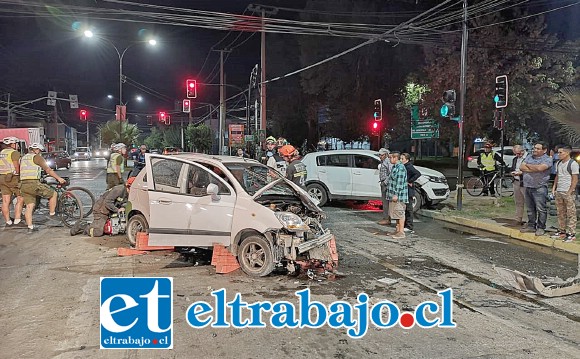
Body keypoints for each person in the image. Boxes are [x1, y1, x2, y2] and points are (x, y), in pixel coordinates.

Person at [19, 143, 67, 233]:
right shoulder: (37, 157)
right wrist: (59, 178)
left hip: (23, 184)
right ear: (36, 150)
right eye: (40, 151)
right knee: (53, 194)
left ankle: (30, 228)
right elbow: (48, 170)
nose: (40, 153)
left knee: (30, 206)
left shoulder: (23, 157)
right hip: (33, 183)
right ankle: (52, 215)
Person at [520, 142, 552, 236]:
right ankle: (531, 225)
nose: (535, 150)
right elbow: (521, 166)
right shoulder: (530, 156)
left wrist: (529, 167)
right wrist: (535, 168)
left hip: (540, 187)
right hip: (528, 186)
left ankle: (541, 227)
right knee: (530, 208)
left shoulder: (547, 159)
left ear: (544, 150)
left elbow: (541, 168)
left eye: (538, 149)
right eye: (534, 148)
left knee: (541, 208)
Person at [550, 145, 578, 242]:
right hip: (559, 191)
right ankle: (562, 231)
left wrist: (570, 191)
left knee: (571, 213)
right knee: (560, 212)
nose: (559, 154)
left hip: (568, 191)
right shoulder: (559, 163)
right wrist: (554, 188)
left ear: (567, 153)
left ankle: (572, 233)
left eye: (561, 152)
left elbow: (575, 179)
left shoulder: (573, 164)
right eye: (558, 152)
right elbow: (557, 176)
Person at [0, 137, 25, 227]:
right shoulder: (14, 153)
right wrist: (19, 174)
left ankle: (8, 222)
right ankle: (17, 220)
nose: (17, 145)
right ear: (12, 144)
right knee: (20, 198)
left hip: (2, 177)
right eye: (16, 143)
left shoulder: (2, 153)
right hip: (12, 178)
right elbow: (16, 167)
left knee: (5, 201)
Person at [385, 152, 408, 239]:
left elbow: (400, 182)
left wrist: (396, 194)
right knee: (395, 213)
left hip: (399, 196)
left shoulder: (401, 168)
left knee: (399, 212)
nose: (389, 159)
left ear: (395, 158)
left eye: (390, 157)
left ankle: (401, 232)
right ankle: (397, 230)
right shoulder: (395, 167)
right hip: (393, 195)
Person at [400, 153, 421, 233]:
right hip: (404, 190)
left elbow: (417, 174)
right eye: (400, 158)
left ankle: (409, 226)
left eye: (402, 159)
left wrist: (410, 181)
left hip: (409, 190)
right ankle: (405, 224)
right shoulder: (403, 166)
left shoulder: (409, 166)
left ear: (407, 159)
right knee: (405, 209)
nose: (401, 160)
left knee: (409, 209)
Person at [509, 145, 528, 225]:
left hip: (525, 182)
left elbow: (531, 170)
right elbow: (513, 168)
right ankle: (518, 218)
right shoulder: (515, 159)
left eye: (518, 153)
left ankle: (530, 220)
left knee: (528, 202)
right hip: (516, 181)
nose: (517, 155)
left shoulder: (528, 158)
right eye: (515, 154)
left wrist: (521, 173)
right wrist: (512, 173)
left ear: (523, 151)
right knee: (518, 201)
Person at [377, 148, 392, 225]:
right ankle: (386, 218)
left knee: (386, 202)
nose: (380, 156)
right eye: (379, 155)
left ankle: (387, 218)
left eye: (381, 155)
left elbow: (391, 172)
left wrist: (385, 182)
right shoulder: (384, 161)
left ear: (386, 154)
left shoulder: (388, 161)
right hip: (384, 183)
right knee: (385, 201)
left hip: (386, 184)